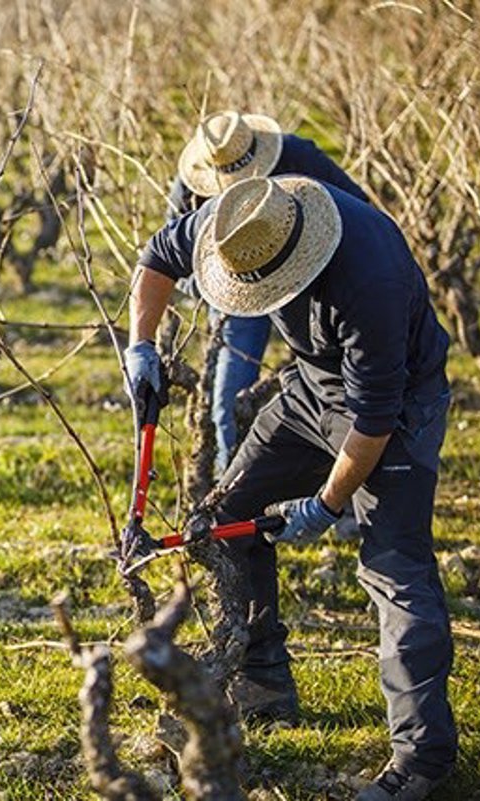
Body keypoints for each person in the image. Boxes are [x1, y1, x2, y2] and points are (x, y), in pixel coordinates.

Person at [124, 175, 456, 800]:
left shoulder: (368, 281)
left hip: (399, 408)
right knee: (228, 516)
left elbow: (374, 421)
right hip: (309, 389)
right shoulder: (238, 222)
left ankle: (423, 759)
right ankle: (264, 683)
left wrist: (326, 504)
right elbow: (156, 257)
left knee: (394, 571)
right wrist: (140, 348)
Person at [168, 111, 369, 475]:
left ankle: (345, 476)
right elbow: (170, 255)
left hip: (309, 279)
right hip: (239, 287)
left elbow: (359, 208)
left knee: (338, 385)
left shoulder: (298, 157)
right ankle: (231, 479)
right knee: (229, 395)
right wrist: (217, 287)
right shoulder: (191, 184)